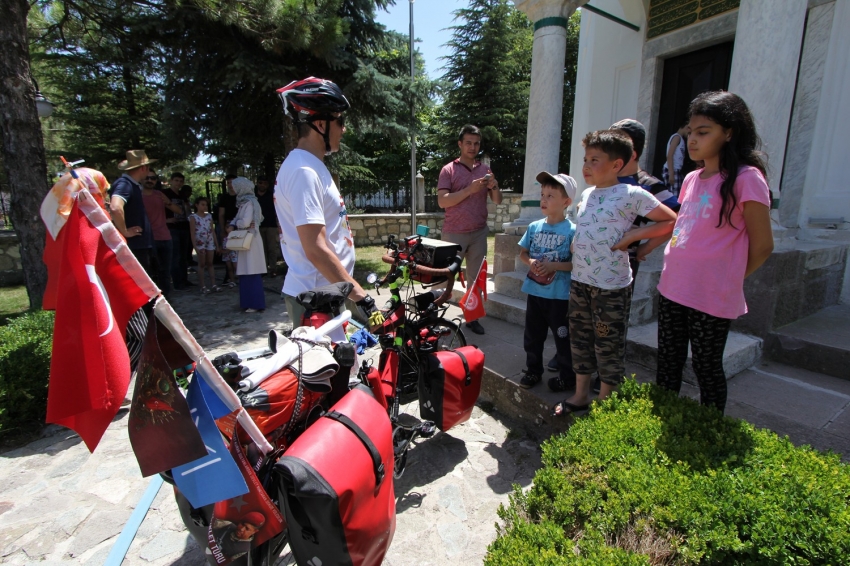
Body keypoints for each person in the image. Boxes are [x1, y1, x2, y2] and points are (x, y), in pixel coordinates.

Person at [655, 91, 773, 413]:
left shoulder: (747, 179)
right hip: (673, 286)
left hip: (710, 294)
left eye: (703, 132)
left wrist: (729, 277)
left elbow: (763, 245)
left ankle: (708, 430)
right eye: (690, 132)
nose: (692, 140)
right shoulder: (692, 177)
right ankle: (663, 417)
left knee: (706, 367)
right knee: (667, 360)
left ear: (729, 133)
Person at [552, 130, 677, 417]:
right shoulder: (587, 194)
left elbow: (671, 221)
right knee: (580, 340)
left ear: (617, 165)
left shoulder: (631, 193)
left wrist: (636, 237)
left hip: (611, 286)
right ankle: (581, 394)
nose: (586, 166)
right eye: (586, 159)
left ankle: (605, 402)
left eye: (595, 160)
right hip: (581, 280)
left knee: (607, 341)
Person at [274, 77, 372, 330]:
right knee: (330, 369)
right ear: (320, 124)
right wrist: (361, 296)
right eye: (340, 121)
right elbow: (315, 248)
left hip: (325, 294)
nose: (344, 129)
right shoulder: (303, 171)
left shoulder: (311, 166)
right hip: (314, 299)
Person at [437, 124, 502, 335]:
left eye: (476, 143)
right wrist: (469, 190)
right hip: (454, 233)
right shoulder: (448, 170)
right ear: (460, 144)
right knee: (445, 275)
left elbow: (497, 200)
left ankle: (472, 318)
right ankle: (435, 315)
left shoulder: (485, 170)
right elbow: (442, 201)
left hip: (478, 232)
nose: (472, 147)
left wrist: (494, 186)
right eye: (468, 143)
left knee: (476, 279)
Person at [517, 172, 577, 394]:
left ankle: (567, 376)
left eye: (551, 196)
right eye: (543, 195)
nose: (544, 200)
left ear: (566, 202)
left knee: (563, 338)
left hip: (559, 297)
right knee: (533, 336)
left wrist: (554, 267)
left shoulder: (572, 231)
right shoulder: (534, 227)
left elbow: (576, 265)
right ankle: (533, 370)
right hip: (535, 293)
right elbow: (523, 253)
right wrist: (531, 261)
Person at [109, 150, 156, 273]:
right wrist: (124, 231)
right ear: (143, 168)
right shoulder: (125, 184)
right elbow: (115, 207)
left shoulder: (132, 185)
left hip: (139, 245)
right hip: (134, 246)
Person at [142, 173, 183, 296]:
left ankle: (166, 300)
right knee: (151, 271)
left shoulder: (159, 195)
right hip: (148, 238)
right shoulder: (137, 195)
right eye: (147, 177)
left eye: (153, 178)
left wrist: (168, 203)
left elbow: (179, 211)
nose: (150, 180)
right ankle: (153, 300)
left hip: (165, 237)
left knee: (165, 272)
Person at [230, 176, 267, 313]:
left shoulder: (250, 203)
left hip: (251, 239)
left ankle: (255, 303)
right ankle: (247, 302)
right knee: (246, 271)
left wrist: (236, 224)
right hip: (246, 239)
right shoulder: (244, 203)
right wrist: (234, 223)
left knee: (252, 271)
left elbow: (245, 222)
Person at [162, 172, 192, 290]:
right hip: (172, 228)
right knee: (176, 256)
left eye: (180, 181)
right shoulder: (165, 193)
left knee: (184, 255)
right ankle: (177, 282)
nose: (178, 183)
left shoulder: (182, 195)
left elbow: (186, 210)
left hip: (184, 226)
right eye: (176, 180)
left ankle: (184, 280)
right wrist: (166, 220)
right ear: (171, 181)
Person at [189, 196, 221, 294]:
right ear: (197, 205)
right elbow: (192, 232)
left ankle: (213, 284)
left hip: (209, 240)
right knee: (202, 264)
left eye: (206, 205)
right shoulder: (193, 217)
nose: (205, 207)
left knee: (210, 263)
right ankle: (202, 285)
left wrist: (217, 245)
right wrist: (195, 246)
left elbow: (212, 231)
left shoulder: (209, 217)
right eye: (202, 205)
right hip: (200, 242)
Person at [255, 176, 283, 277]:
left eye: (264, 183)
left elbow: (277, 211)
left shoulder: (272, 196)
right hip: (258, 226)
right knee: (261, 249)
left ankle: (273, 269)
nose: (262, 185)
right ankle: (263, 269)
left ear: (267, 185)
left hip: (271, 225)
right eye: (260, 182)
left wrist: (278, 224)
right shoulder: (254, 197)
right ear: (257, 183)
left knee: (272, 248)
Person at [218, 174, 239, 287]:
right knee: (228, 256)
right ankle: (230, 279)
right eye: (229, 182)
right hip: (227, 227)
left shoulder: (241, 196)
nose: (231, 185)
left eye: (233, 182)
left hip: (240, 227)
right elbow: (221, 214)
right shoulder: (224, 198)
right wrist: (222, 229)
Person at [662, 122, 688, 195]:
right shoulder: (677, 137)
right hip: (672, 169)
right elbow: (670, 155)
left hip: (676, 170)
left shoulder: (681, 139)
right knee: (674, 196)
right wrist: (671, 173)